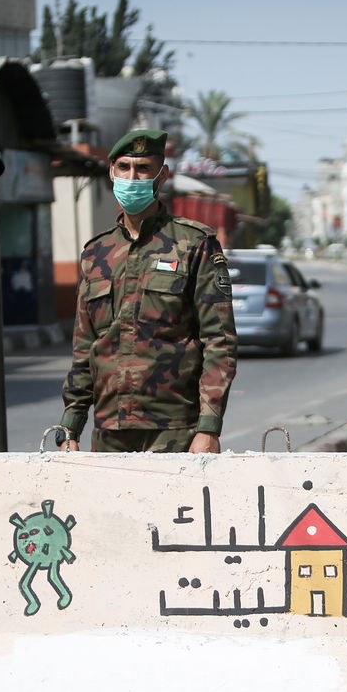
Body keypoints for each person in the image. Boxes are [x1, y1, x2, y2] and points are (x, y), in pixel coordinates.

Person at [55, 129, 237, 454]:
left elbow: (219, 342)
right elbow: (85, 348)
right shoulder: (96, 253)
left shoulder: (194, 244)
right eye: (124, 167)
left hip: (175, 430)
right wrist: (71, 424)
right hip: (109, 430)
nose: (132, 178)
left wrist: (208, 427)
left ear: (162, 175)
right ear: (111, 172)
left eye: (143, 169)